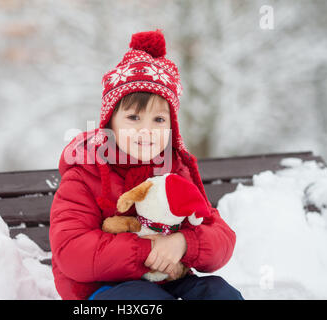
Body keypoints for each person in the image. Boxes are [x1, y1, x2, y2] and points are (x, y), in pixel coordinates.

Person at [49, 29, 243, 300]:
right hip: (105, 290)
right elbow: (71, 250)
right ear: (110, 123)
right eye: (134, 118)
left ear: (171, 126)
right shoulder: (85, 173)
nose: (147, 130)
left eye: (158, 120)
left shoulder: (175, 170)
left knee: (217, 292)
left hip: (170, 281)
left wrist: (185, 243)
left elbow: (219, 234)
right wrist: (147, 250)